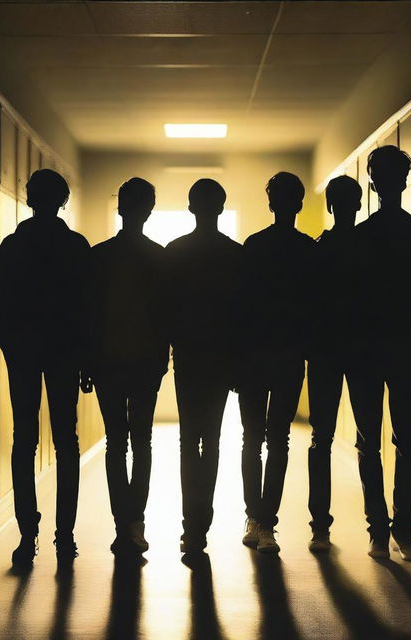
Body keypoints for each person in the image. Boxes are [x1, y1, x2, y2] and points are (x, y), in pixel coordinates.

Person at [346, 146, 411, 561]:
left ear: (373, 184)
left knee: (370, 442)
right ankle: (401, 533)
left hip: (369, 355)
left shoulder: (360, 238)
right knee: (406, 439)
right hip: (403, 354)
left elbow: (345, 301)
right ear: (403, 182)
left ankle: (380, 533)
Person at [0, 169, 90, 566]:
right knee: (67, 442)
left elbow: (0, 307)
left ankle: (26, 534)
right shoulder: (76, 246)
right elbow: (88, 309)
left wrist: (14, 349)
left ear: (30, 198)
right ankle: (64, 537)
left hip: (25, 354)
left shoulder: (13, 246)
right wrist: (86, 359)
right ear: (63, 200)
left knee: (24, 440)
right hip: (65, 353)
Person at [237, 172, 316, 554]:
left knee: (253, 440)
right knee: (276, 440)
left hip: (255, 355)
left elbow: (240, 308)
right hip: (286, 356)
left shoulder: (253, 246)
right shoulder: (308, 250)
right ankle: (265, 522)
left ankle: (256, 517)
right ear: (297, 203)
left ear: (272, 203)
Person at [90, 177, 169, 555]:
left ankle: (123, 523)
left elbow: (86, 316)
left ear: (120, 207)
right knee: (141, 442)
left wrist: (87, 362)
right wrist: (161, 361)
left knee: (116, 444)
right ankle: (134, 522)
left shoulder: (99, 256)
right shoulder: (159, 257)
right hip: (143, 364)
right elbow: (165, 318)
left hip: (108, 362)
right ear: (149, 211)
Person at [165, 179, 242, 555]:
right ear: (221, 209)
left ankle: (190, 527)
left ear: (191, 208)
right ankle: (201, 525)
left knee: (187, 440)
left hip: (189, 359)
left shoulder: (176, 251)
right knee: (210, 440)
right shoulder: (235, 254)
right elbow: (243, 316)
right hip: (221, 361)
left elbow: (167, 312)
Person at [306, 175, 362, 553]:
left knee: (320, 440)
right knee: (368, 440)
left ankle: (320, 528)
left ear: (329, 206)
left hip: (325, 353)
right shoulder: (370, 246)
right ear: (358, 204)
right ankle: (379, 531)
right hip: (362, 352)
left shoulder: (317, 249)